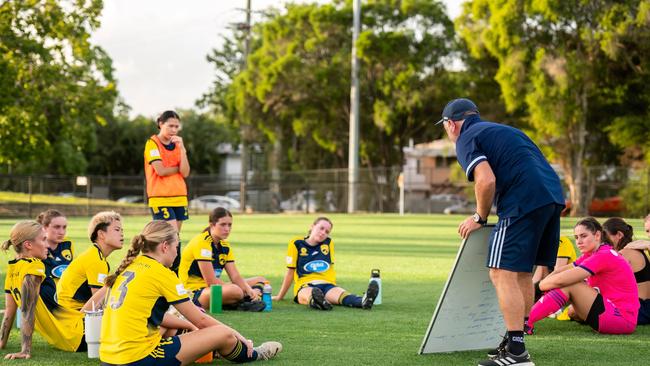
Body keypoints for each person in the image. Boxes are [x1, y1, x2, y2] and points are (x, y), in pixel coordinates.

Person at [437, 98, 565, 366]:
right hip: (552, 197)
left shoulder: (466, 137)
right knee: (521, 273)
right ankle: (515, 341)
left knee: (500, 272)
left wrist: (479, 217)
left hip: (523, 199)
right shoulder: (506, 130)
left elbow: (486, 179)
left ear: (451, 124)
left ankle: (516, 352)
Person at [99, 220, 282, 365]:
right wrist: (238, 336)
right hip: (137, 359)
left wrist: (189, 327)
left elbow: (150, 315)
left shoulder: (129, 267)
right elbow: (201, 320)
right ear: (164, 246)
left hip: (109, 359)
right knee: (221, 333)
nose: (176, 253)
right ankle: (255, 354)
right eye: (176, 247)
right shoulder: (161, 273)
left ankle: (212, 348)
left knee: (178, 327)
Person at [528, 217, 638, 335]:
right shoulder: (591, 254)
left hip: (621, 319)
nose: (579, 241)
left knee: (571, 284)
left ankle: (525, 322)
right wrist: (542, 286)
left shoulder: (603, 255)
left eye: (583, 236)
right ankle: (526, 318)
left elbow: (560, 280)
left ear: (597, 235)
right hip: (610, 313)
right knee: (567, 285)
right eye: (576, 237)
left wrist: (539, 287)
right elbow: (559, 272)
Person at [0, 221, 86, 359]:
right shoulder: (34, 266)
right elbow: (28, 310)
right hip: (79, 333)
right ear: (28, 245)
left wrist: (1, 342)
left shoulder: (12, 268)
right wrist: (25, 351)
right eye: (43, 239)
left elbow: (10, 312)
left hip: (73, 336)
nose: (47, 245)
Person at [273, 217, 379, 311]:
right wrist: (280, 296)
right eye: (321, 228)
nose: (324, 233)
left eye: (327, 231)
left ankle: (364, 301)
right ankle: (318, 302)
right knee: (310, 294)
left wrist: (333, 287)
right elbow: (290, 272)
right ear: (312, 226)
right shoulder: (296, 243)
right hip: (305, 284)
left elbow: (328, 267)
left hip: (327, 284)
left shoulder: (328, 243)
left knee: (344, 296)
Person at [179, 207, 267, 311]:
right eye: (223, 224)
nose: (227, 229)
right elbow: (211, 281)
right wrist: (242, 290)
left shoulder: (225, 245)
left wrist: (248, 290)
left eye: (230, 225)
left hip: (215, 288)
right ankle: (242, 301)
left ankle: (240, 301)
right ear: (212, 225)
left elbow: (235, 276)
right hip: (194, 293)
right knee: (236, 290)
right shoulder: (202, 242)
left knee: (261, 281)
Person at [144, 110, 190, 272]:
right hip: (160, 198)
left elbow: (185, 172)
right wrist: (177, 168)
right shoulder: (152, 143)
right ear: (160, 124)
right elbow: (160, 170)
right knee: (171, 238)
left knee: (174, 239)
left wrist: (183, 149)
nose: (174, 130)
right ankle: (169, 273)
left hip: (179, 197)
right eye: (170, 125)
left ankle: (172, 274)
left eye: (177, 127)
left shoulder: (177, 145)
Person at [56, 211, 123, 312]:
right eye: (117, 230)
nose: (122, 234)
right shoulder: (96, 260)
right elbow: (97, 304)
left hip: (67, 312)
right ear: (101, 234)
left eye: (122, 230)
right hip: (72, 317)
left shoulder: (94, 254)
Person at [604, 217, 650, 325]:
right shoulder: (640, 251)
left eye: (605, 237)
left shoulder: (625, 253)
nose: (603, 241)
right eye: (647, 231)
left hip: (639, 309)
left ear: (619, 235)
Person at [35, 209, 74, 310]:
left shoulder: (68, 245)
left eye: (64, 227)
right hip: (45, 303)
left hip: (66, 301)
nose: (61, 232)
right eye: (56, 227)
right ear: (44, 227)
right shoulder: (36, 249)